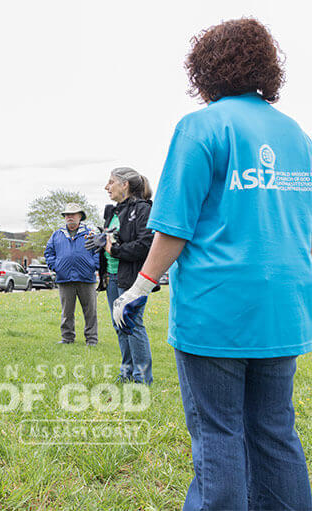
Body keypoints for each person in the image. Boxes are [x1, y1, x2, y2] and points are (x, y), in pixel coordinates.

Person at [113, 19, 312, 509]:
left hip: (216, 308)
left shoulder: (200, 126)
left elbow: (174, 227)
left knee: (219, 434)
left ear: (204, 70)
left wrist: (139, 288)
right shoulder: (295, 134)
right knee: (274, 430)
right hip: (283, 306)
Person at [91, 167, 154, 384]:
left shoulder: (143, 209)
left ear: (124, 184)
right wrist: (101, 241)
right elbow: (112, 240)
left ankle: (142, 378)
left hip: (132, 278)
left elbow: (145, 245)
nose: (106, 187)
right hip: (112, 276)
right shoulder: (113, 211)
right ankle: (126, 373)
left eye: (111, 182)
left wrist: (114, 249)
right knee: (120, 326)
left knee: (132, 324)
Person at [43, 203, 99, 346]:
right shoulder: (57, 234)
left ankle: (91, 339)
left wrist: (93, 266)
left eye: (72, 214)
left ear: (80, 216)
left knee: (90, 312)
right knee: (67, 312)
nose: (69, 217)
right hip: (64, 278)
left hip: (86, 278)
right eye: (67, 215)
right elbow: (49, 253)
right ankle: (67, 338)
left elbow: (99, 251)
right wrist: (56, 266)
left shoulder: (90, 233)